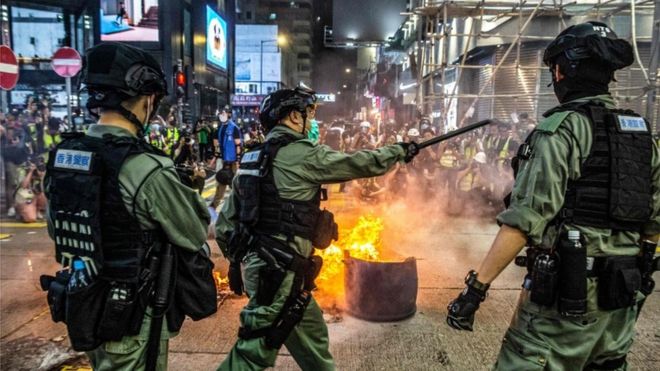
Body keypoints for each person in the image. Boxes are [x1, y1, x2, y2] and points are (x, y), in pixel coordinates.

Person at [446, 21, 660, 370]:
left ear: (563, 71)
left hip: (566, 302)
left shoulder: (559, 131)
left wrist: (475, 291)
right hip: (621, 299)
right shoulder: (640, 133)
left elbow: (523, 222)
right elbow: (654, 222)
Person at [215, 87, 419, 370]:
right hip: (279, 274)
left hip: (268, 271)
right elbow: (357, 163)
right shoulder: (301, 153)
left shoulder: (251, 158)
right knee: (253, 351)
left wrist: (242, 262)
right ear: (292, 117)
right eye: (306, 115)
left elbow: (225, 225)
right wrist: (398, 151)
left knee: (311, 331)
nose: (310, 122)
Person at [42, 42, 216, 371]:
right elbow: (194, 230)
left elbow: (57, 228)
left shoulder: (64, 156)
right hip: (131, 313)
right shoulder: (144, 166)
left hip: (84, 301)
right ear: (147, 99)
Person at [211, 105, 242, 209]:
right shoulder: (219, 129)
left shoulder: (234, 128)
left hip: (233, 162)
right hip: (223, 161)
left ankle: (239, 208)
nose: (222, 115)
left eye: (224, 113)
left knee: (235, 185)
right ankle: (213, 207)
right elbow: (217, 145)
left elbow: (238, 144)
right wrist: (215, 158)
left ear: (229, 114)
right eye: (220, 114)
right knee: (221, 183)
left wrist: (238, 160)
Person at [14, 157, 47, 222]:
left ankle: (38, 210)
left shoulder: (43, 171)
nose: (40, 168)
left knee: (45, 193)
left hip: (35, 195)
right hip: (24, 196)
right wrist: (30, 171)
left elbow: (44, 188)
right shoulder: (23, 170)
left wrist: (42, 177)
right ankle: (19, 210)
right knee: (30, 219)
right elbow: (24, 186)